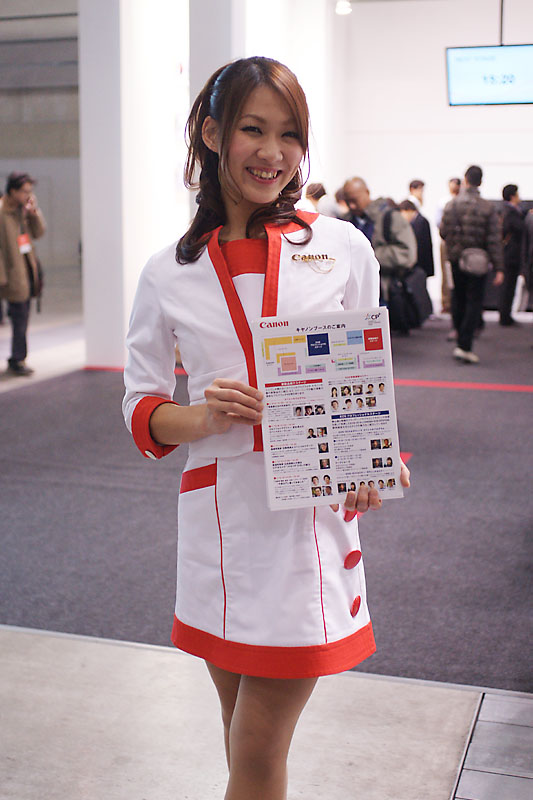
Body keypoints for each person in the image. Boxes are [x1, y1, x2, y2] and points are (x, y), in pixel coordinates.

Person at [122, 56, 410, 800]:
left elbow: (365, 380)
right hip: (218, 529)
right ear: (213, 134)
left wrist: (374, 460)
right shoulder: (168, 271)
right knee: (244, 749)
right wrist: (203, 415)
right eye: (253, 129)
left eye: (290, 135)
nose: (273, 153)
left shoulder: (341, 247)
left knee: (254, 753)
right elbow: (141, 407)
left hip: (308, 530)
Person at [440, 165, 504, 364]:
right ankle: (464, 345)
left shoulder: (452, 205)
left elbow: (443, 232)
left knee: (458, 297)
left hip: (456, 259)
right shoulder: (487, 207)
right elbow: (494, 239)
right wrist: (499, 267)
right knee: (474, 301)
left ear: (465, 180)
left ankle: (459, 336)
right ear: (481, 182)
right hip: (478, 261)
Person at [343, 177, 417, 310]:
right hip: (352, 294)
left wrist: (369, 256)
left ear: (367, 192)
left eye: (355, 200)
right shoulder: (345, 222)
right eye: (348, 201)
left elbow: (407, 253)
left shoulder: (389, 217)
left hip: (384, 291)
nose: (352, 206)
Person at [0, 172, 46, 375]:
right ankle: (17, 359)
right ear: (12, 191)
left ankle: (18, 359)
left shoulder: (23, 211)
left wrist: (34, 212)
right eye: (24, 191)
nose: (28, 195)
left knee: (21, 317)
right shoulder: (2, 213)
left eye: (30, 191)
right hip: (9, 274)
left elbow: (39, 232)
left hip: (25, 271)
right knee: (19, 317)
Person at [499, 184, 525, 326]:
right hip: (510, 254)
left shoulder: (508, 211)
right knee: (508, 286)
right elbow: (518, 228)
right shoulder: (511, 212)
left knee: (509, 285)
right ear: (512, 196)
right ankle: (505, 316)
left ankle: (506, 314)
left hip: (509, 253)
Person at [436, 178, 461, 314]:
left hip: (459, 241)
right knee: (446, 273)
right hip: (447, 241)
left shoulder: (461, 202)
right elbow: (438, 223)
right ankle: (446, 302)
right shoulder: (444, 202)